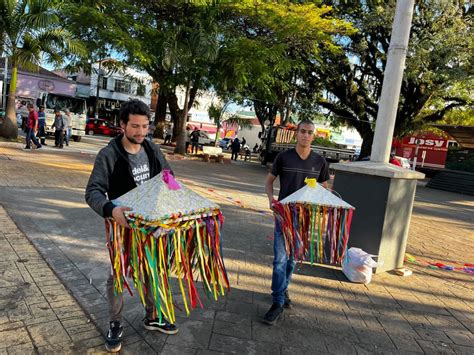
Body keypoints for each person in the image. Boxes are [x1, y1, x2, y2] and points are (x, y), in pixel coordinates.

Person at [85, 99, 178, 353]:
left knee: (153, 271)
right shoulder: (109, 154)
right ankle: (115, 324)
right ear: (123, 125)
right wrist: (111, 210)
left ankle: (152, 316)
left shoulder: (152, 149)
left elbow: (169, 177)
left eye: (145, 126)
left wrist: (179, 200)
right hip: (121, 229)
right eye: (135, 126)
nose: (140, 132)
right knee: (118, 276)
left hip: (151, 229)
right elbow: (92, 192)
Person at [263, 119, 329, 325]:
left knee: (291, 260)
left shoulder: (320, 162)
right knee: (279, 260)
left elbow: (324, 189)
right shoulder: (284, 157)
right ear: (296, 133)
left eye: (310, 132)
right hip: (283, 216)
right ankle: (277, 302)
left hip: (304, 219)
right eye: (302, 131)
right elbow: (269, 181)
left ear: (313, 136)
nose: (305, 135)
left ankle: (283, 289)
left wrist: (320, 200)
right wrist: (271, 200)